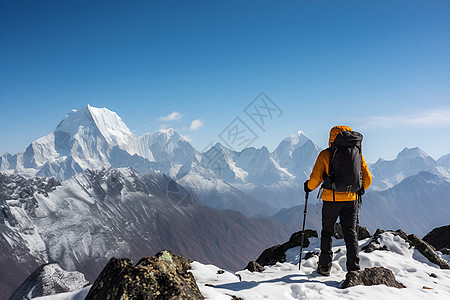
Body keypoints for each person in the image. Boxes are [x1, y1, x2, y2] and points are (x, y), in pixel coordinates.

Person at [304, 125, 372, 276]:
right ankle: (354, 269)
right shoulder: (358, 154)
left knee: (327, 232)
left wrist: (307, 187)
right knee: (351, 233)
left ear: (331, 138)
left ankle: (324, 267)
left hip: (331, 200)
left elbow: (315, 180)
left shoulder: (325, 155)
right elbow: (368, 180)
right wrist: (358, 189)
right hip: (352, 200)